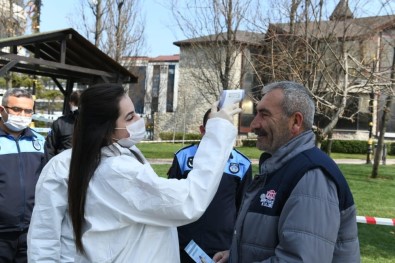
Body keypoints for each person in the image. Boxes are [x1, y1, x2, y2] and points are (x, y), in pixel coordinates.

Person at [27, 83, 241, 262]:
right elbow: (189, 200)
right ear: (106, 128)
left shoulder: (82, 161)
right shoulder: (116, 170)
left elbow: (43, 238)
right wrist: (218, 131)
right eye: (129, 117)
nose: (139, 120)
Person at [213, 81, 360, 263]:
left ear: (296, 122)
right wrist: (235, 255)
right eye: (257, 113)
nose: (254, 124)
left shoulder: (310, 176)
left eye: (264, 114)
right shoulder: (280, 168)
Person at [168, 108, 252, 262]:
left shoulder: (242, 163)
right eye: (215, 128)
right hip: (185, 245)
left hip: (221, 247)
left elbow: (243, 208)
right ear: (202, 130)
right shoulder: (183, 157)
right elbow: (172, 201)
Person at [0, 88, 45, 262]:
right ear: (2, 110)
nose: (22, 115)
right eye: (16, 109)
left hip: (30, 231)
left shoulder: (39, 142)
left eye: (28, 111)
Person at [44, 90, 80, 162]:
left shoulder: (94, 124)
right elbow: (49, 149)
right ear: (70, 103)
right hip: (62, 167)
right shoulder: (60, 123)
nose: (78, 107)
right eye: (76, 104)